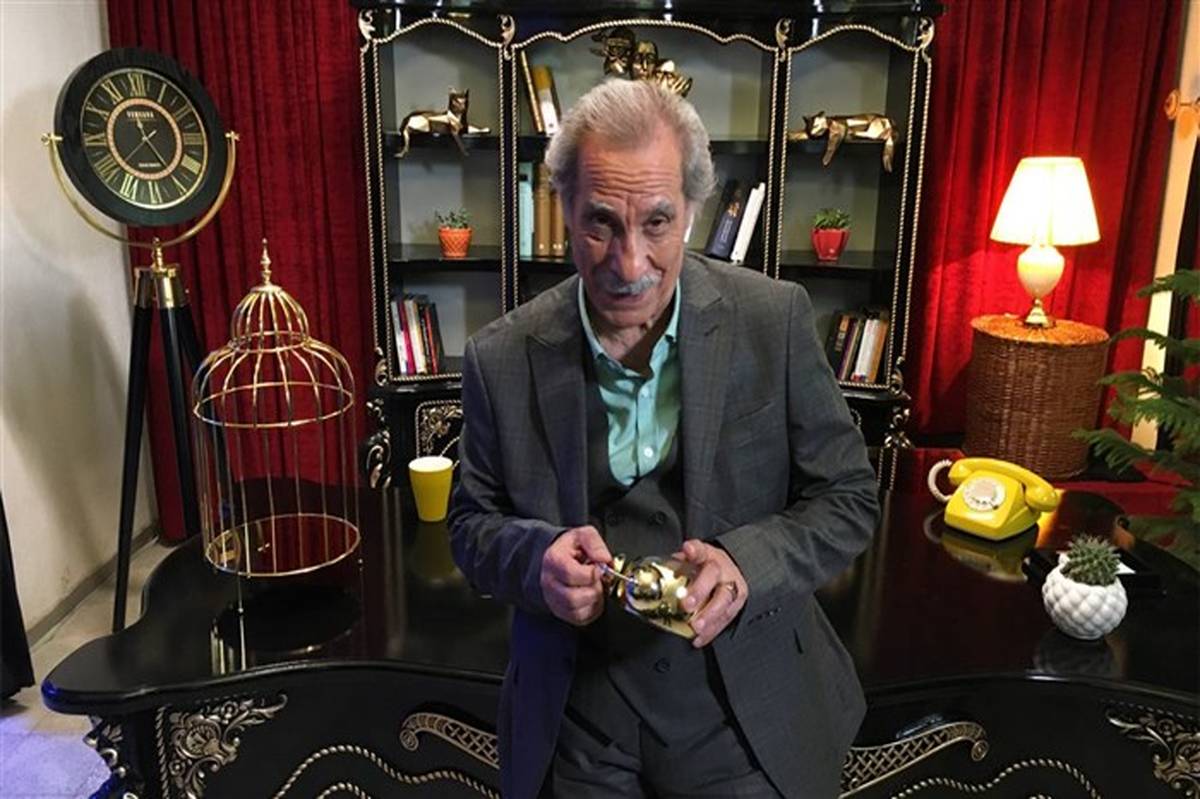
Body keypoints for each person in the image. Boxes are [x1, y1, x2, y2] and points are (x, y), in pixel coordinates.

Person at [449, 78, 879, 799]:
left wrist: (746, 564)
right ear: (563, 208)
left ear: (693, 211)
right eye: (600, 224)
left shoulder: (773, 320)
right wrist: (535, 563)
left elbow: (849, 496)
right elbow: (470, 526)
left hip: (745, 712)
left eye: (656, 222)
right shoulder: (500, 356)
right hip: (578, 719)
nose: (629, 265)